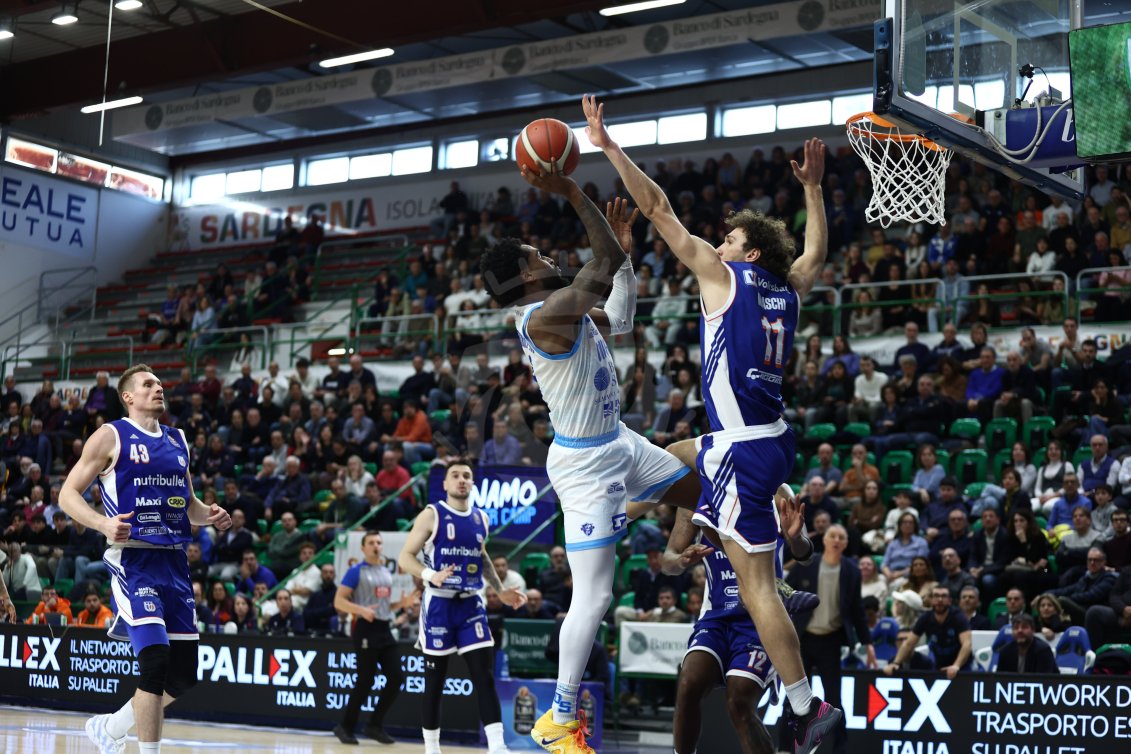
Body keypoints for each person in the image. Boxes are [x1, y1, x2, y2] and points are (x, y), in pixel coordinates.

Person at [584, 93, 840, 750]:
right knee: (667, 453)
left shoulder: (723, 279)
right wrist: (812, 190)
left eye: (728, 238)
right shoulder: (788, 286)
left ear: (746, 252)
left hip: (741, 452)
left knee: (757, 585)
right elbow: (813, 252)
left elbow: (658, 209)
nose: (717, 243)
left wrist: (607, 146)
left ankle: (804, 705)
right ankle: (659, 510)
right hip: (763, 441)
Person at [478, 163, 699, 751]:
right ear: (525, 272)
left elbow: (621, 316)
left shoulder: (568, 307)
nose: (546, 254)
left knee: (708, 496)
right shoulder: (545, 315)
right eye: (536, 252)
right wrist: (573, 191)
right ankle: (557, 716)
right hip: (584, 467)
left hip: (619, 443)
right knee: (595, 596)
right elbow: (597, 266)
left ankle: (737, 578)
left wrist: (623, 261)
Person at [60, 363, 232, 754]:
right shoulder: (110, 436)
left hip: (174, 563)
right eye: (148, 384)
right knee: (155, 663)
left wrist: (211, 515)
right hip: (134, 561)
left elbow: (188, 506)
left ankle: (111, 727)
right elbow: (67, 495)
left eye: (159, 383)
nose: (159, 388)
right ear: (129, 397)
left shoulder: (178, 440)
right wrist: (103, 525)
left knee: (184, 676)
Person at [664, 489, 817, 754]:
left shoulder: (775, 490)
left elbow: (805, 554)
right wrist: (681, 560)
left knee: (740, 702)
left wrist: (795, 539)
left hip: (759, 620)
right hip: (716, 616)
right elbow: (668, 561)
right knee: (688, 684)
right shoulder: (694, 495)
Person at [398, 460, 526, 754]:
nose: (461, 480)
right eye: (455, 475)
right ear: (444, 484)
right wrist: (431, 575)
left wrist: (500, 590)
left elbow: (481, 557)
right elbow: (405, 557)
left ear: (472, 483)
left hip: (470, 603)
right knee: (435, 681)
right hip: (439, 604)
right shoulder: (432, 515)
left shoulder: (481, 518)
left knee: (484, 676)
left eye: (466, 476)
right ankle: (432, 749)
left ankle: (497, 747)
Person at [786, 524, 876, 754]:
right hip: (802, 640)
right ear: (824, 540)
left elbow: (856, 609)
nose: (836, 540)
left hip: (831, 640)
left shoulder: (851, 570)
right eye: (832, 536)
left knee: (834, 699)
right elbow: (785, 590)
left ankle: (839, 749)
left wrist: (868, 643)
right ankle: (785, 747)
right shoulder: (807, 563)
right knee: (793, 698)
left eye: (841, 537)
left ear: (846, 544)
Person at [331, 531, 402, 744]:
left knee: (397, 677)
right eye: (371, 542)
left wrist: (401, 605)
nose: (376, 545)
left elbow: (384, 606)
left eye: (379, 542)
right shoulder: (356, 571)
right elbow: (339, 601)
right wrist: (360, 610)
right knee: (366, 680)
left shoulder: (386, 572)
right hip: (365, 628)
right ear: (362, 548)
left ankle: (374, 725)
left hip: (384, 628)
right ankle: (345, 726)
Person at [883, 586, 973, 678]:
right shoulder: (925, 618)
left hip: (961, 667)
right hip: (939, 665)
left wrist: (956, 666)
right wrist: (895, 663)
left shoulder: (959, 617)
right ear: (930, 600)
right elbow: (908, 644)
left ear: (950, 600)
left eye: (944, 596)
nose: (940, 599)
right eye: (936, 596)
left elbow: (966, 644)